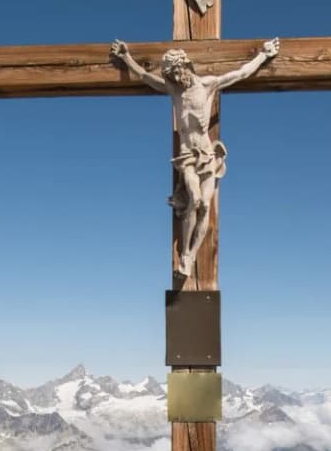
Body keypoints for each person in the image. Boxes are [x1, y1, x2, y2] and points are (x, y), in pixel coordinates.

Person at [110, 37, 281, 279]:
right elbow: (146, 77)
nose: (178, 78)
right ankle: (185, 256)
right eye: (172, 75)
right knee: (195, 198)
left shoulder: (208, 85)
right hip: (187, 156)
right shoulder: (173, 91)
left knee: (205, 206)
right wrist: (126, 57)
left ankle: (190, 254)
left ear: (187, 66)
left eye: (179, 72)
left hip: (208, 156)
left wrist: (263, 55)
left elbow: (240, 74)